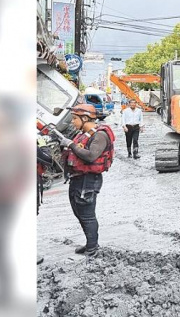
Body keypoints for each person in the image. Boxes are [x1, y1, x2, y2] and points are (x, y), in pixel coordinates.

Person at [51, 104, 115, 257]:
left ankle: (92, 248)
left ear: (85, 118)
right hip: (77, 178)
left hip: (88, 180)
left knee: (87, 215)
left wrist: (71, 144)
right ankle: (90, 243)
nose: (72, 122)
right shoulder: (83, 133)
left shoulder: (99, 135)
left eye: (74, 118)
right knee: (79, 212)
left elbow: (91, 156)